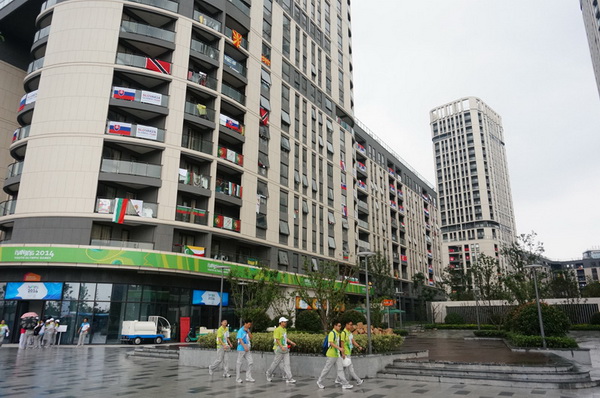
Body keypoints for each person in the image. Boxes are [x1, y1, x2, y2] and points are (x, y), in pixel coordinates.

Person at [316, 321, 353, 389]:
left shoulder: (337, 333)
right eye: (338, 326)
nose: (340, 327)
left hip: (337, 355)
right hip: (331, 355)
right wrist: (340, 348)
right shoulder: (332, 333)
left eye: (340, 326)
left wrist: (340, 352)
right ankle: (319, 381)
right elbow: (331, 343)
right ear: (334, 326)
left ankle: (345, 384)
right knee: (326, 369)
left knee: (340, 369)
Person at [266, 317, 297, 383]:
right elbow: (277, 339)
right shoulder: (277, 330)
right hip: (279, 349)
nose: (286, 323)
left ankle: (290, 378)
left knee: (287, 364)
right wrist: (281, 346)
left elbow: (285, 338)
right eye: (284, 322)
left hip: (285, 348)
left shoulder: (284, 329)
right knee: (275, 363)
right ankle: (268, 373)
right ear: (281, 322)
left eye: (286, 322)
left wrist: (291, 342)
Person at [335, 321, 364, 385]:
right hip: (346, 353)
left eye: (352, 325)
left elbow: (353, 341)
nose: (351, 326)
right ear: (346, 325)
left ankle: (338, 379)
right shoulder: (343, 333)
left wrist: (358, 346)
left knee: (344, 367)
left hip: (349, 353)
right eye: (350, 325)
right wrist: (343, 353)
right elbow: (342, 344)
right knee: (351, 369)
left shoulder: (349, 333)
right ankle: (358, 380)